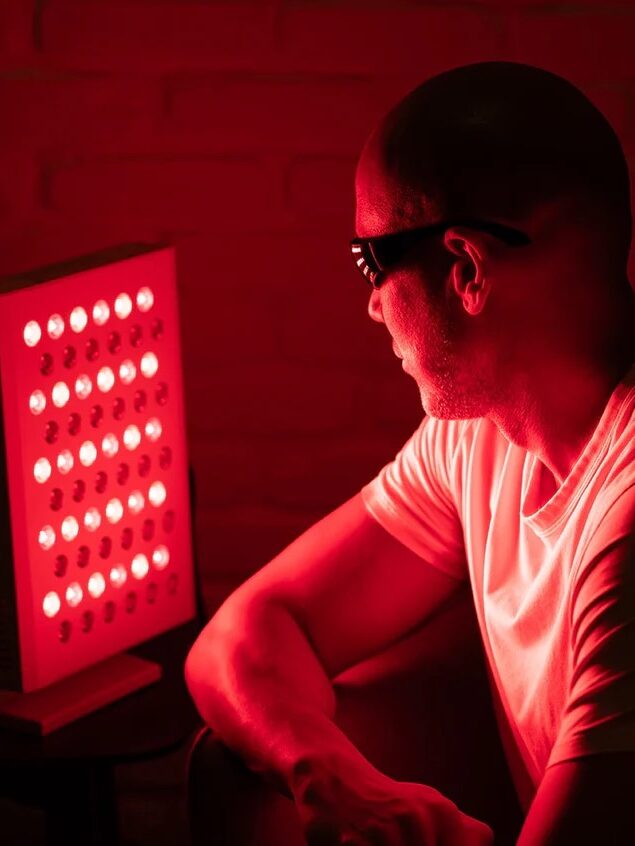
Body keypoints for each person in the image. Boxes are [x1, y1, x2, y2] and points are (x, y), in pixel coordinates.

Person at [185, 61, 635, 844]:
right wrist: (340, 786)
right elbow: (246, 631)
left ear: (465, 269)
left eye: (371, 260)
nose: (369, 304)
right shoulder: (480, 433)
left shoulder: (623, 520)